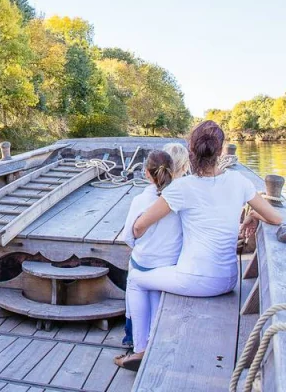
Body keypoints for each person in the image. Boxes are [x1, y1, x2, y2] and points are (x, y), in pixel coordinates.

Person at [115, 121, 282, 371]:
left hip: (196, 279)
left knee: (138, 279)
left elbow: (140, 227)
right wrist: (253, 215)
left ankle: (140, 348)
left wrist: (137, 224)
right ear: (221, 150)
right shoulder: (238, 182)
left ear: (191, 150)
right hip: (228, 279)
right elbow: (276, 218)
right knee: (155, 278)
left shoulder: (182, 187)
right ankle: (146, 340)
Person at [119, 150, 183, 350]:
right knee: (155, 291)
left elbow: (128, 236)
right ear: (174, 171)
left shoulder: (140, 201)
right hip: (169, 263)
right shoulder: (181, 199)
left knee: (135, 278)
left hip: (144, 262)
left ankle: (138, 344)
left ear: (147, 173)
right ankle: (156, 341)